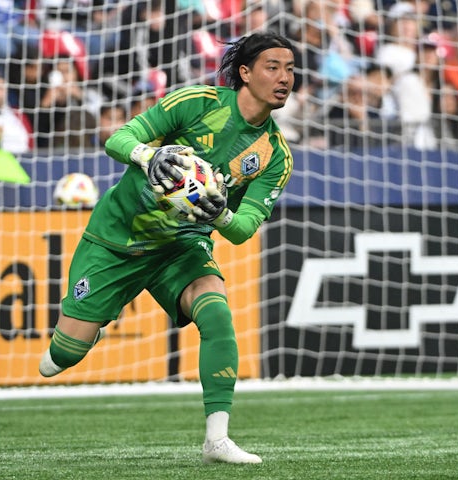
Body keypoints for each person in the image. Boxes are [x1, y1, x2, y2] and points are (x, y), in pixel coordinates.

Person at [39, 31, 296, 465]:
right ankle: (98, 316)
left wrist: (220, 216)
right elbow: (118, 139)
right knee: (59, 358)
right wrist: (147, 156)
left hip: (181, 244)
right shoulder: (196, 102)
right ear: (245, 73)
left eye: (290, 69)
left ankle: (217, 440)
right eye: (273, 67)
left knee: (216, 311)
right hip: (116, 238)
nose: (284, 77)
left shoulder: (275, 155)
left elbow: (243, 230)